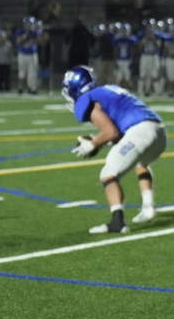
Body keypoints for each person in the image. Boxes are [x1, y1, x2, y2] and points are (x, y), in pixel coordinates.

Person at [62, 66, 167, 234]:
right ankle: (148, 208)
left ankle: (117, 222)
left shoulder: (86, 99)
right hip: (159, 132)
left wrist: (92, 144)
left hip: (140, 131)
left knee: (108, 173)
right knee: (141, 161)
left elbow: (111, 132)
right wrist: (99, 142)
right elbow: (118, 135)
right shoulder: (109, 90)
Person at [15, 18, 40, 95]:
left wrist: (37, 35)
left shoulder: (35, 32)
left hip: (32, 54)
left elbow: (39, 42)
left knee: (32, 73)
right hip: (22, 54)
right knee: (22, 72)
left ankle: (32, 88)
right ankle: (20, 87)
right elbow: (18, 41)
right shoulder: (20, 31)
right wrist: (26, 35)